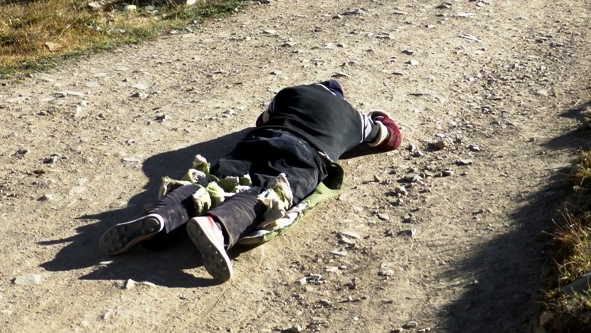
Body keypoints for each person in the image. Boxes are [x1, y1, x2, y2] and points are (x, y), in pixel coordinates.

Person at [99, 80, 402, 282]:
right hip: (308, 154)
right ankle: (216, 226)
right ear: (339, 97)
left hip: (262, 137)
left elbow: (262, 120)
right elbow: (390, 138)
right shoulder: (353, 117)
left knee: (213, 182)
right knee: (266, 194)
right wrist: (379, 117)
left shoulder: (291, 93)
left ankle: (162, 216)